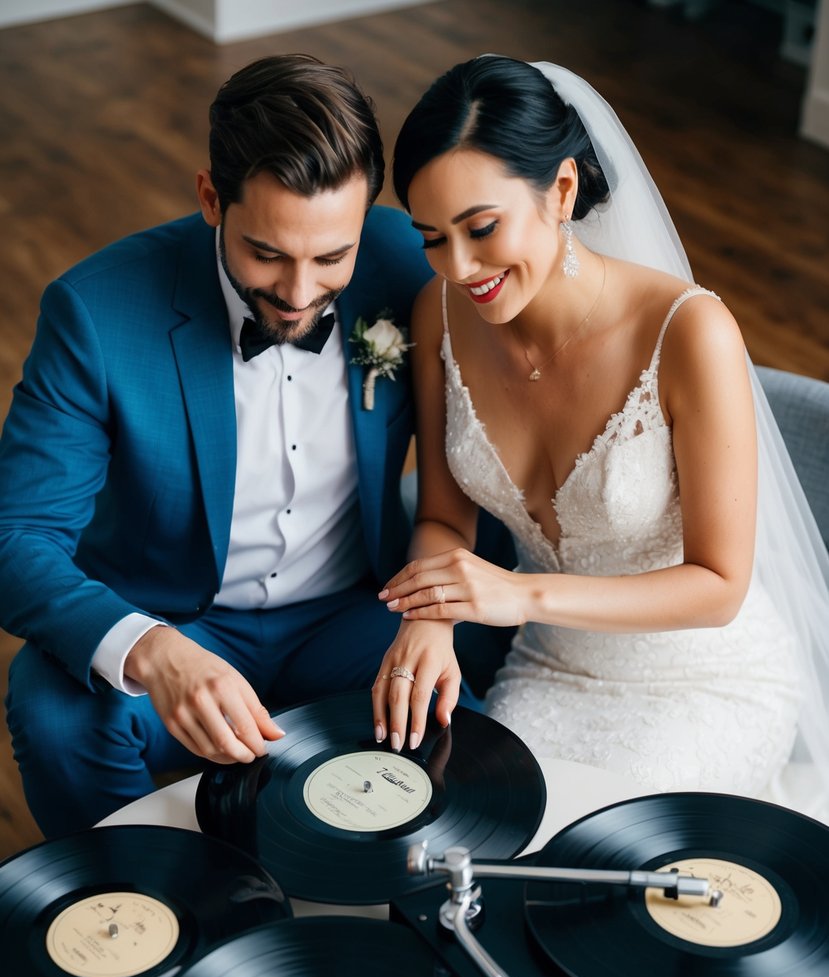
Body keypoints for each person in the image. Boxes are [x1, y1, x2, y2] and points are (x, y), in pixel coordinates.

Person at [0, 53, 513, 837]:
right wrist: (154, 651)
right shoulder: (95, 312)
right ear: (212, 197)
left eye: (330, 258)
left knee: (467, 761)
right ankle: (149, 905)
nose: (301, 293)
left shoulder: (411, 265)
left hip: (356, 615)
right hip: (177, 618)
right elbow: (16, 537)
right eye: (267, 254)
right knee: (52, 708)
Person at [371, 55, 829, 815]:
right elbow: (444, 518)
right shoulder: (439, 313)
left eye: (480, 229)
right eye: (431, 238)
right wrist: (430, 621)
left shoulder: (688, 331)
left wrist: (518, 593)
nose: (459, 266)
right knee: (474, 842)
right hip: (551, 672)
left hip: (705, 682)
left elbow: (718, 588)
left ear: (560, 190)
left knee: (599, 856)